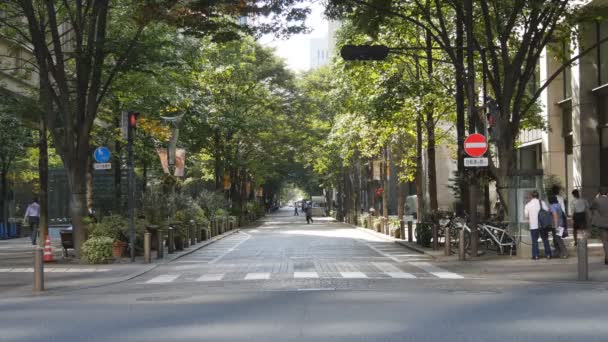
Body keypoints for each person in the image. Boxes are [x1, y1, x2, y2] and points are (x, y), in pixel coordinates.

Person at [524, 190, 552, 260]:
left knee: (534, 241)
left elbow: (526, 216)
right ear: (538, 196)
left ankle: (536, 256)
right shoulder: (542, 203)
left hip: (533, 226)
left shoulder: (528, 205)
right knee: (545, 239)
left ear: (531, 196)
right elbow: (547, 210)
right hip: (543, 225)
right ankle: (548, 254)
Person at [590, 188, 608, 265]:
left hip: (602, 224)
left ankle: (607, 257)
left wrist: (596, 198)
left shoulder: (597, 200)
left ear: (599, 193)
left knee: (605, 241)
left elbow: (591, 207)